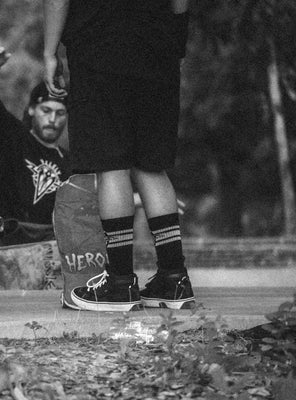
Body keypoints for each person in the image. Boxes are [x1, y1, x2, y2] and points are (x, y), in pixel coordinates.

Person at [43, 0, 195, 311]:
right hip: (158, 44)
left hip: (99, 44)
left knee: (110, 163)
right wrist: (176, 41)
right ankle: (174, 277)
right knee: (151, 164)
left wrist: (49, 52)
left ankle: (121, 282)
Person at [0, 45, 71, 246]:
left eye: (60, 113)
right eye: (46, 110)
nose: (52, 119)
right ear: (31, 110)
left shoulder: (70, 161)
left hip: (51, 242)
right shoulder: (13, 138)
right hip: (7, 237)